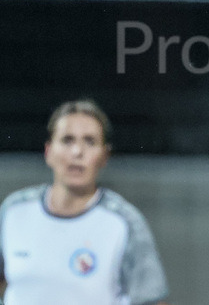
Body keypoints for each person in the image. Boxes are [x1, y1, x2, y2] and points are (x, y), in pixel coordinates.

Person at [0, 99, 170, 305]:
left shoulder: (124, 222)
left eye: (89, 142)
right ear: (48, 151)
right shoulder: (14, 211)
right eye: (67, 140)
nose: (77, 152)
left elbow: (151, 300)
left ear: (104, 156)